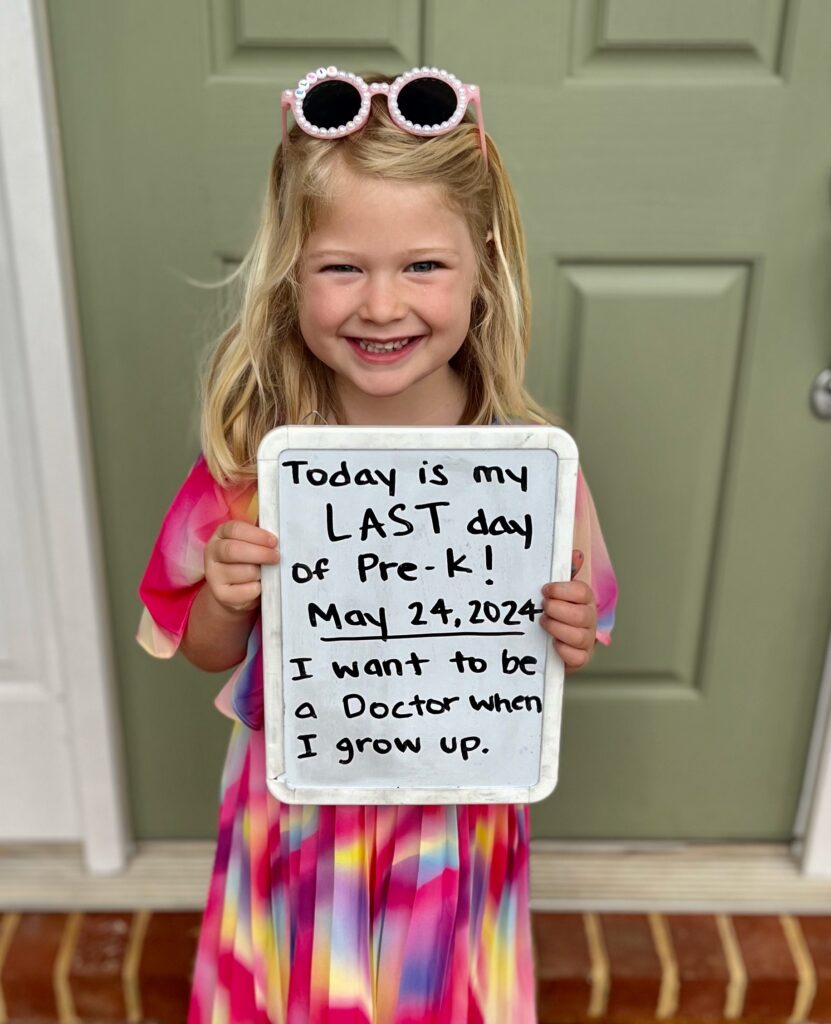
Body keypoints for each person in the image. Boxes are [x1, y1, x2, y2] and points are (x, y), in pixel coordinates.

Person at [137, 65, 618, 1024]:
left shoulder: (527, 469)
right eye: (342, 267)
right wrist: (228, 599)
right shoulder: (251, 460)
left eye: (423, 266)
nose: (382, 305)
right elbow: (200, 650)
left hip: (453, 825)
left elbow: (578, 629)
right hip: (299, 821)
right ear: (290, 271)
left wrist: (567, 624)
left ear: (483, 265)